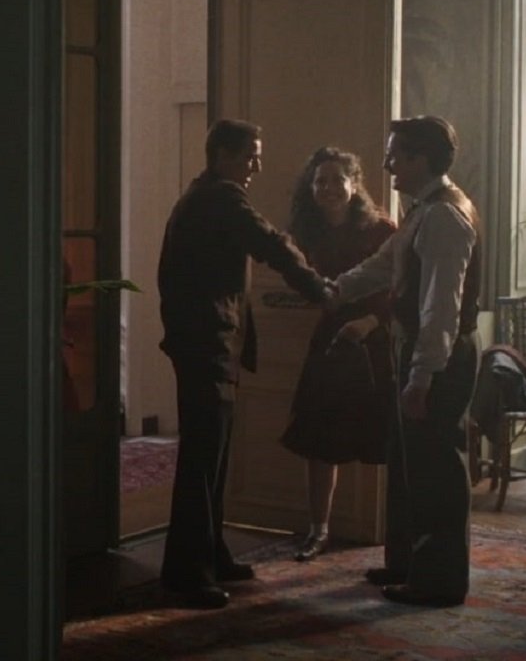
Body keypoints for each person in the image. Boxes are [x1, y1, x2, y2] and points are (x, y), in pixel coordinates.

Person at [157, 119, 329, 609]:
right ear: (223, 155)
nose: (257, 165)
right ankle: (188, 574)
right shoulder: (222, 198)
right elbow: (271, 242)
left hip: (205, 344)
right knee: (202, 461)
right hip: (206, 344)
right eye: (250, 155)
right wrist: (318, 289)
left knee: (212, 458)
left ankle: (211, 554)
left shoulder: (204, 195)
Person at [329, 115, 480, 607]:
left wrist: (422, 377)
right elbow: (384, 265)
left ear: (421, 159)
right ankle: (408, 564)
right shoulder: (424, 211)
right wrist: (333, 289)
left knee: (435, 468)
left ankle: (439, 581)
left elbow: (441, 309)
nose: (387, 164)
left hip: (437, 355)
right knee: (410, 462)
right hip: (418, 349)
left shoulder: (443, 217)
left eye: (395, 155)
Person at [281, 147, 397, 562]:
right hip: (331, 335)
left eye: (336, 180)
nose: (328, 188)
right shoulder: (308, 232)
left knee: (386, 436)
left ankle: (395, 534)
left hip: (375, 336)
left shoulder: (381, 229)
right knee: (319, 437)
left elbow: (402, 288)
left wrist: (372, 322)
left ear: (354, 183)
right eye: (320, 181)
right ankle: (319, 530)